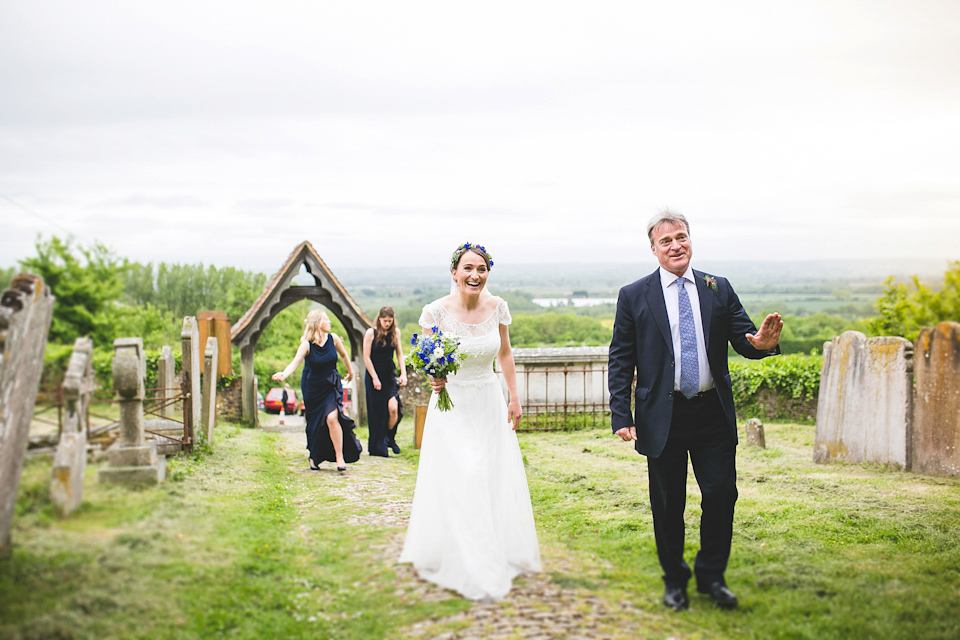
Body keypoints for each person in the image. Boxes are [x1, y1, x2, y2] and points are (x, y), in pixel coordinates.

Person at [608, 210, 783, 611]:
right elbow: (621, 357)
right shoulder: (634, 295)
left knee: (721, 496)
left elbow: (746, 339)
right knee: (668, 505)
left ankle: (712, 578)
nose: (675, 245)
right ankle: (675, 581)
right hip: (661, 416)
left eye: (681, 237)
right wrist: (622, 414)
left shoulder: (717, 288)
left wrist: (760, 343)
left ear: (691, 240)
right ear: (653, 249)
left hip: (712, 415)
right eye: (666, 241)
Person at [400, 242, 541, 601]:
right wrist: (434, 375)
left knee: (488, 473)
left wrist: (514, 397)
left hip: (488, 401)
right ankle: (472, 561)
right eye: (468, 268)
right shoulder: (435, 312)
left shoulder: (499, 308)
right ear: (454, 273)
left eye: (481, 269)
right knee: (467, 471)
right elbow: (426, 356)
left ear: (487, 273)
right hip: (452, 405)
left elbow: (505, 353)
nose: (475, 275)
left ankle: (488, 546)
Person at [273, 309, 361, 473]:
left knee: (332, 418)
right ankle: (314, 455)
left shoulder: (333, 339)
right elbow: (295, 363)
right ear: (318, 323)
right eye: (326, 320)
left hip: (330, 386)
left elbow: (344, 355)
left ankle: (339, 457)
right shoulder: (307, 344)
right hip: (313, 388)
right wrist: (284, 374)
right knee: (315, 424)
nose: (329, 322)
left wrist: (351, 372)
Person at [362, 306, 407, 457]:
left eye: (390, 321)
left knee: (393, 408)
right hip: (373, 376)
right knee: (377, 412)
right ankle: (378, 444)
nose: (387, 323)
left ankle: (389, 438)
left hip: (389, 376)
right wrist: (374, 377)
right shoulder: (371, 333)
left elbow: (400, 354)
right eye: (384, 320)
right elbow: (366, 357)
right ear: (379, 319)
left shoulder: (396, 333)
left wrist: (403, 373)